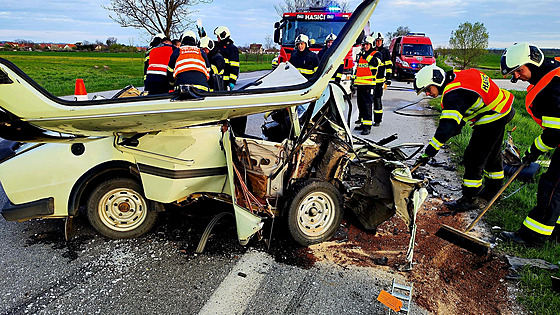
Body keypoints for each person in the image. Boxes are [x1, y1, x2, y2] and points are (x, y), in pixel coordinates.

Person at [413, 64, 515, 212]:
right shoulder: (457, 77)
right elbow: (457, 121)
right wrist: (454, 129)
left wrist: (428, 152)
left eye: (428, 89)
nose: (427, 94)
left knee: (473, 157)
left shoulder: (454, 94)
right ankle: (494, 192)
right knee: (492, 155)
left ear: (436, 80)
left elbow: (446, 128)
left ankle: (469, 199)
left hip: (492, 117)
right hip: (502, 109)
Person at [498, 43, 560, 246]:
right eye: (513, 73)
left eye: (518, 70)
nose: (517, 77)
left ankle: (531, 237)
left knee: (551, 187)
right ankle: (555, 231)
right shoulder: (554, 70)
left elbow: (554, 134)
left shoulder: (551, 88)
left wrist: (534, 150)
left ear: (531, 62)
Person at [214, 26, 245, 135]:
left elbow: (235, 66)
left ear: (223, 35)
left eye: (218, 36)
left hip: (226, 83)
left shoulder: (232, 49)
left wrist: (232, 81)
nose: (217, 39)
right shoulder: (218, 47)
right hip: (217, 82)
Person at [353, 35, 381, 135]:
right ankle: (362, 123)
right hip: (360, 85)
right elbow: (358, 69)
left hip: (369, 85)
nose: (365, 46)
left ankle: (367, 127)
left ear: (371, 45)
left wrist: (366, 56)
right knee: (360, 105)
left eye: (367, 45)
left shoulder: (376, 54)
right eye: (364, 45)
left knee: (367, 106)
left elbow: (375, 63)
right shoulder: (361, 55)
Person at [371, 31, 392, 126]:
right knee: (367, 102)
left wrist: (388, 78)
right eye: (377, 41)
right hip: (369, 81)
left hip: (379, 81)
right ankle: (362, 119)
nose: (379, 42)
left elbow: (388, 66)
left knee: (377, 100)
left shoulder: (385, 51)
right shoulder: (370, 51)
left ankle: (377, 120)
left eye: (380, 41)